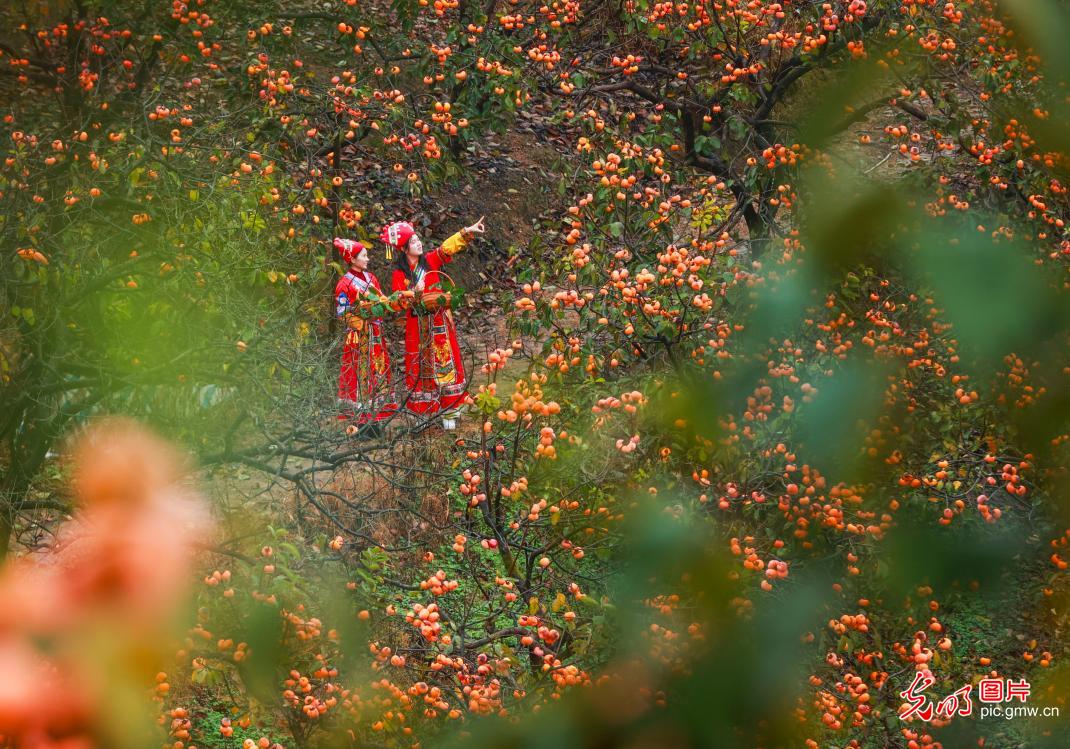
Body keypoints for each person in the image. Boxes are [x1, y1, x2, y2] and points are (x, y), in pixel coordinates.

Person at [382, 217, 485, 430]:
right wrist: (414, 292)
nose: (419, 243)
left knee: (444, 360)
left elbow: (446, 249)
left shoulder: (430, 261)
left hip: (439, 323)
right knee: (419, 364)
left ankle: (449, 409)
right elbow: (397, 302)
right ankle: (423, 412)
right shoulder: (399, 274)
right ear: (404, 249)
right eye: (413, 242)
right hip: (416, 326)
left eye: (418, 239)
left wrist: (467, 231)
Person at [333, 236, 412, 432]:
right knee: (360, 372)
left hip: (376, 334)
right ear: (352, 259)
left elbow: (382, 301)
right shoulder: (344, 284)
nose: (368, 259)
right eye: (364, 256)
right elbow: (342, 313)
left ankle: (375, 419)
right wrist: (361, 318)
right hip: (358, 336)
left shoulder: (371, 279)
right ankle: (360, 421)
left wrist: (396, 300)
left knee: (377, 372)